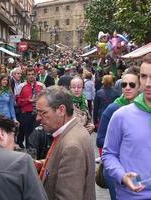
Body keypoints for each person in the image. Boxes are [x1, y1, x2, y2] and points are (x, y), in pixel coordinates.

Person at [102, 53, 151, 199]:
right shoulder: (121, 115)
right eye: (143, 76)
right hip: (131, 196)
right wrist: (122, 176)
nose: (148, 83)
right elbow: (108, 154)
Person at [36, 85, 95, 200]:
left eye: (43, 113)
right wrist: (42, 164)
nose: (38, 118)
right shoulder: (72, 130)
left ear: (61, 110)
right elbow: (63, 163)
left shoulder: (71, 146)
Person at [97, 66, 140, 200]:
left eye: (132, 85)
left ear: (140, 87)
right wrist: (123, 143)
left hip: (137, 167)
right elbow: (99, 140)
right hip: (116, 169)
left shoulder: (144, 110)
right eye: (124, 84)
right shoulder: (114, 109)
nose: (127, 87)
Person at [16, 67, 45, 148]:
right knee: (28, 135)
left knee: (37, 134)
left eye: (32, 74)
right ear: (26, 76)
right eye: (29, 75)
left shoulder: (41, 85)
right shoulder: (21, 86)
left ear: (35, 75)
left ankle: (38, 155)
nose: (31, 76)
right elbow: (18, 102)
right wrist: (28, 100)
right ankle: (30, 155)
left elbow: (46, 99)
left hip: (38, 114)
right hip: (26, 114)